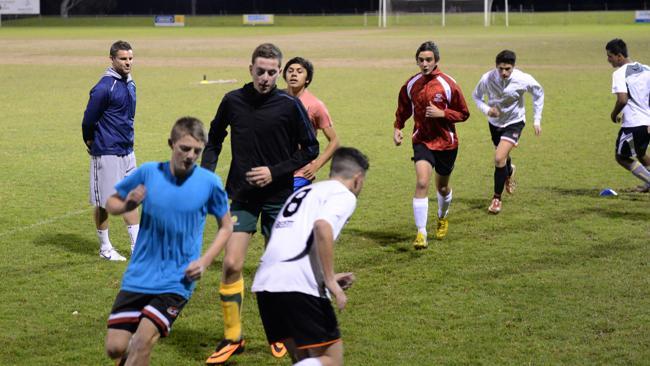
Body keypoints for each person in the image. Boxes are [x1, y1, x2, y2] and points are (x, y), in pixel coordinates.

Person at [201, 43, 319, 364]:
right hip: (241, 195)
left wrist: (274, 171)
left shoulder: (288, 105)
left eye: (271, 72)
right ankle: (232, 337)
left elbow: (310, 148)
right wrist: (205, 175)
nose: (265, 78)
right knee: (231, 264)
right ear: (250, 69)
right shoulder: (232, 101)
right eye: (260, 71)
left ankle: (278, 333)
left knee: (277, 268)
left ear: (278, 72)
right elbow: (214, 138)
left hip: (279, 197)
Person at [103, 117, 233, 366]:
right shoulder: (148, 173)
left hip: (177, 279)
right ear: (171, 143)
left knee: (142, 342)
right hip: (140, 274)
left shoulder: (209, 183)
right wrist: (127, 204)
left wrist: (205, 261)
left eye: (197, 150)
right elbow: (111, 202)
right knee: (115, 348)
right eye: (185, 148)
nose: (191, 155)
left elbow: (226, 226)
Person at [251, 147, 369, 366]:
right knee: (331, 359)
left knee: (303, 358)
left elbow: (293, 241)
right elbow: (322, 227)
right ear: (357, 179)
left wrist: (323, 278)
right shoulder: (344, 195)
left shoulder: (303, 193)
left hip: (266, 284)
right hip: (297, 285)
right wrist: (331, 280)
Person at [393, 41, 470, 249]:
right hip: (422, 141)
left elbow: (464, 113)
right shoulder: (411, 84)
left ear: (436, 60)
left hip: (446, 143)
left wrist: (443, 113)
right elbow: (403, 107)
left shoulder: (448, 84)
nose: (424, 63)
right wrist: (398, 127)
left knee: (442, 187)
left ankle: (442, 216)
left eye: (428, 60)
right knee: (421, 183)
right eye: (421, 60)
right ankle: (421, 233)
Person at [81, 40, 139, 261]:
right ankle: (105, 249)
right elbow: (88, 120)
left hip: (127, 150)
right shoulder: (105, 86)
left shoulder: (130, 83)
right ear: (112, 59)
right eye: (123, 59)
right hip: (106, 150)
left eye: (130, 58)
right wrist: (90, 141)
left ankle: (137, 247)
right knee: (104, 202)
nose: (128, 63)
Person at [472, 49, 545, 214]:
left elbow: (538, 94)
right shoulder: (487, 78)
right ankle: (510, 170)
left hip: (515, 122)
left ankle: (496, 199)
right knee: (503, 157)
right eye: (501, 69)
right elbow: (476, 96)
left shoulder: (523, 79)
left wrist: (537, 119)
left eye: (508, 69)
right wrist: (487, 109)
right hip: (495, 123)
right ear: (496, 67)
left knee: (498, 158)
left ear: (513, 67)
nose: (504, 73)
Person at [283, 56, 340, 190]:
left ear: (307, 79)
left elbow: (334, 140)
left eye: (299, 71)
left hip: (300, 174)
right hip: (276, 170)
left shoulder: (315, 105)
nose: (294, 74)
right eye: (290, 70)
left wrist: (317, 165)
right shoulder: (275, 99)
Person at [605, 39, 650, 192]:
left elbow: (622, 99)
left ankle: (649, 180)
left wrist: (614, 114)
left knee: (622, 157)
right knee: (641, 154)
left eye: (610, 56)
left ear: (619, 56)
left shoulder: (619, 73)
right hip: (647, 123)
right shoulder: (646, 69)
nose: (608, 60)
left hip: (633, 124)